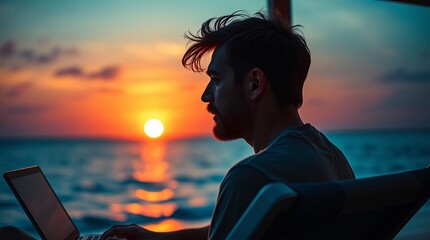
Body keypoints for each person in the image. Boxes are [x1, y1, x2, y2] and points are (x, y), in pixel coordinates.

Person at [0, 10, 355, 240]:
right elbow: (241, 229)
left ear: (254, 84)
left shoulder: (254, 179)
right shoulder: (329, 157)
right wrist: (157, 238)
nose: (205, 96)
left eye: (216, 79)